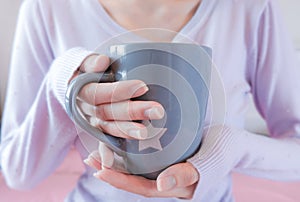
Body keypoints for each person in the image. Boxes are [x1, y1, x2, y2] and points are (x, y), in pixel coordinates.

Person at [1, 0, 300, 201]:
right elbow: (18, 174)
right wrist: (62, 87)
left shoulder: (251, 8)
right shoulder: (49, 7)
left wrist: (234, 148)